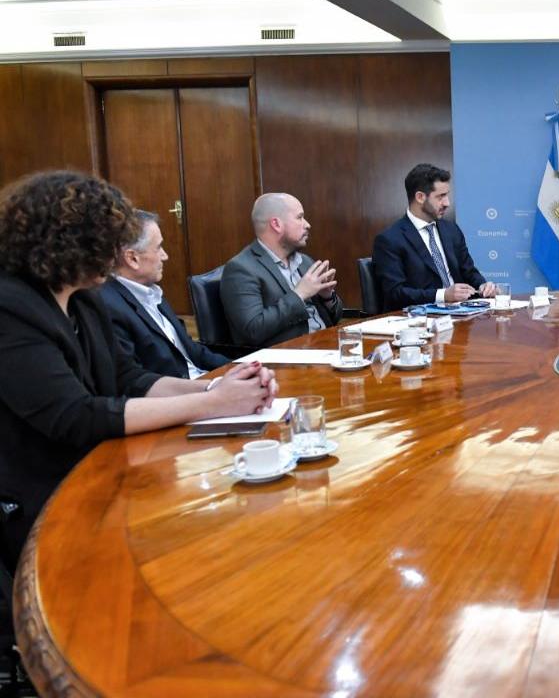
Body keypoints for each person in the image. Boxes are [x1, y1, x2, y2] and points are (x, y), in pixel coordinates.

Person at [0, 171, 277, 573]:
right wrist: (210, 405)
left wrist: (215, 389)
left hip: (101, 471)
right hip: (42, 498)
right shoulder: (11, 308)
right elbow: (75, 417)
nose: (116, 255)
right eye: (107, 242)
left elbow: (130, 378)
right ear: (66, 244)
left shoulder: (86, 299)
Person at [100, 210, 229, 379]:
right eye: (158, 247)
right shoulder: (109, 307)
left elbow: (193, 351)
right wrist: (212, 389)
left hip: (207, 383)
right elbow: (136, 382)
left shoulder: (151, 292)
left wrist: (242, 367)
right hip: (181, 397)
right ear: (133, 259)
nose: (165, 256)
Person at [221, 193, 343, 348]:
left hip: (326, 345)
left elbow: (334, 319)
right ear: (276, 224)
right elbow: (253, 330)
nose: (307, 224)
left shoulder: (304, 261)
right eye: (299, 217)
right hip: (289, 358)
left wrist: (327, 297)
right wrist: (299, 295)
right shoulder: (241, 269)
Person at [373, 163, 495, 311]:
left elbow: (468, 271)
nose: (447, 203)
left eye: (447, 195)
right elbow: (395, 294)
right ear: (420, 197)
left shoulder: (451, 230)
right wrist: (443, 295)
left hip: (463, 315)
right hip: (420, 322)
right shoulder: (390, 240)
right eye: (441, 196)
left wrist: (482, 285)